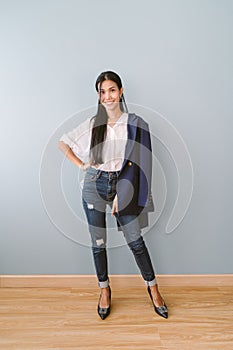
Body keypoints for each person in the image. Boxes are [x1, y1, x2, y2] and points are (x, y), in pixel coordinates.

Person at [58, 71, 168, 320]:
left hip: (123, 183)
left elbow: (141, 162)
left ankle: (154, 289)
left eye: (111, 90)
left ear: (121, 91)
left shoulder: (134, 123)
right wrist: (82, 165)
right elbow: (63, 143)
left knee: (135, 241)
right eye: (102, 92)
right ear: (98, 95)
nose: (107, 96)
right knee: (98, 243)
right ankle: (104, 290)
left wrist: (124, 192)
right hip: (94, 184)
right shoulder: (92, 124)